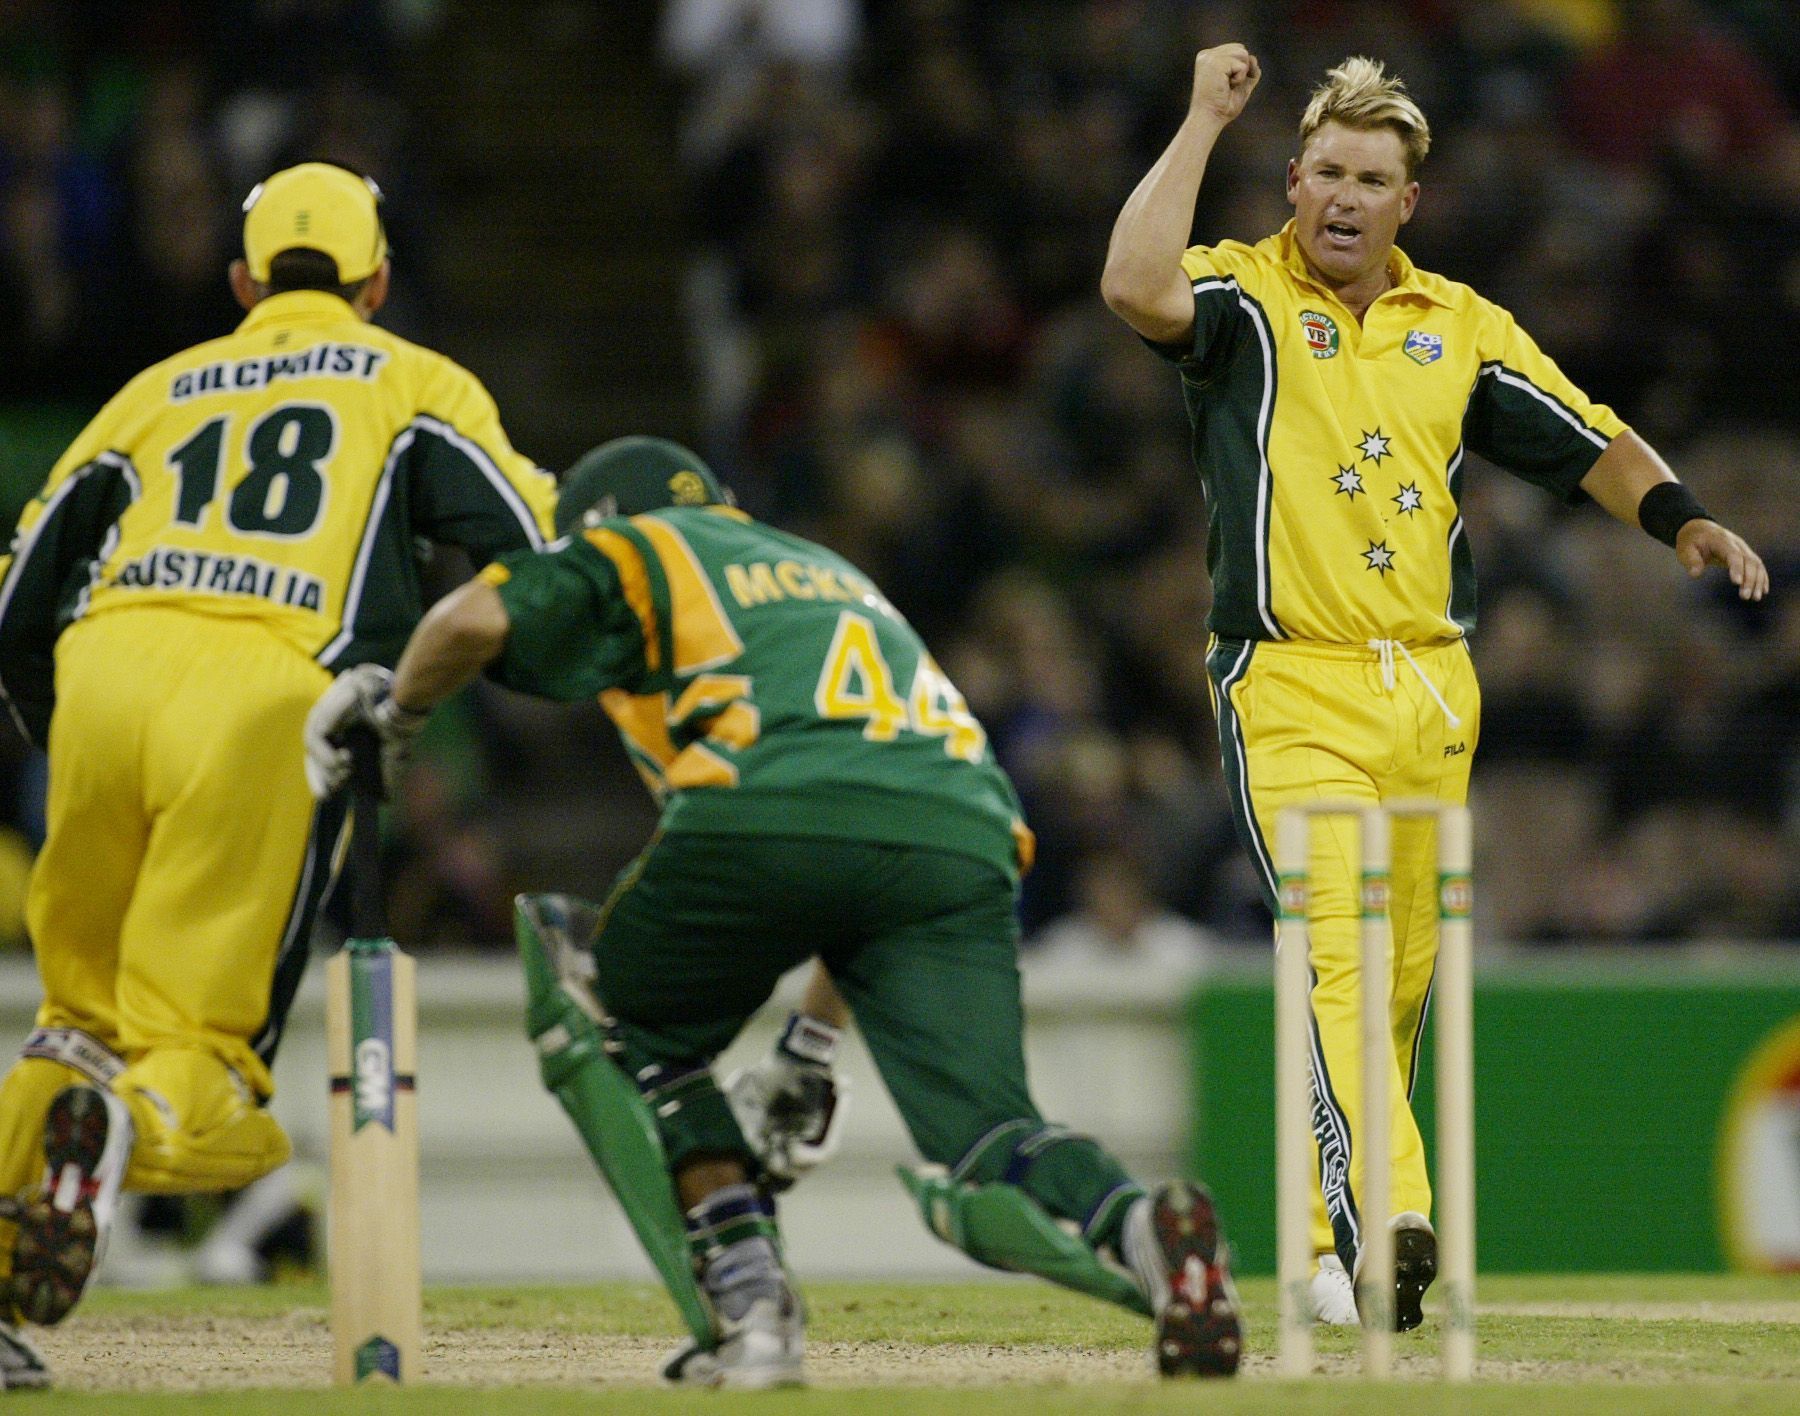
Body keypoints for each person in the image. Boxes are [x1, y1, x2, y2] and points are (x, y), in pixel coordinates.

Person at [303, 435, 1244, 1388]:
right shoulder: (824, 571)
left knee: (610, 1005)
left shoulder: (645, 547)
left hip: (774, 800)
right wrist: (810, 1048)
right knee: (990, 1133)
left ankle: (751, 1307)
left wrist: (397, 717)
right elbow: (863, 846)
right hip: (963, 831)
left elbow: (471, 617)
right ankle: (1143, 1225)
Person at [1100, 49, 1769, 1332]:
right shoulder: (1242, 301)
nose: (1345, 197)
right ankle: (1393, 1221)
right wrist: (1199, 119)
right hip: (1289, 682)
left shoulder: (1457, 326)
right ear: (1292, 183)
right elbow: (1134, 283)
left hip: (1431, 692)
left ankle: (1315, 1252)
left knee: (1396, 981)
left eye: (1374, 179)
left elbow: (1588, 432)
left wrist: (1682, 520)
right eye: (1328, 174)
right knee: (1337, 955)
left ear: (1411, 200)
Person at [0, 161, 555, 1388]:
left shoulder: (153, 391)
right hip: (263, 695)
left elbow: (21, 588)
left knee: (75, 1022)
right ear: (378, 281)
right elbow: (529, 548)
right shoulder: (413, 378)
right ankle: (121, 1143)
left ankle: (14, 1260)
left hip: (103, 673)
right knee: (202, 1056)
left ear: (243, 280)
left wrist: (68, 729)